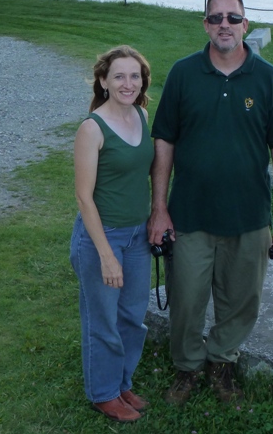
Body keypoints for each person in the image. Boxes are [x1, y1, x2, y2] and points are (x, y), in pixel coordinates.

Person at [148, 0, 273, 405]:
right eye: (216, 18)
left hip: (248, 216)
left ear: (245, 24)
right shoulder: (182, 73)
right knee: (186, 301)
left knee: (242, 301)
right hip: (190, 214)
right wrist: (159, 209)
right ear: (205, 25)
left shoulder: (266, 79)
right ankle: (187, 367)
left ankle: (222, 361)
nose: (225, 25)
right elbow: (165, 142)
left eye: (233, 18)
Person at [70, 45, 155, 423]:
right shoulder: (92, 128)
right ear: (103, 81)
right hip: (102, 236)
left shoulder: (142, 114)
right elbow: (84, 198)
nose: (128, 83)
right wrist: (105, 254)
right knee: (101, 319)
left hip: (138, 236)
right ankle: (102, 393)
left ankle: (121, 383)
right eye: (119, 76)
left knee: (133, 316)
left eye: (134, 76)